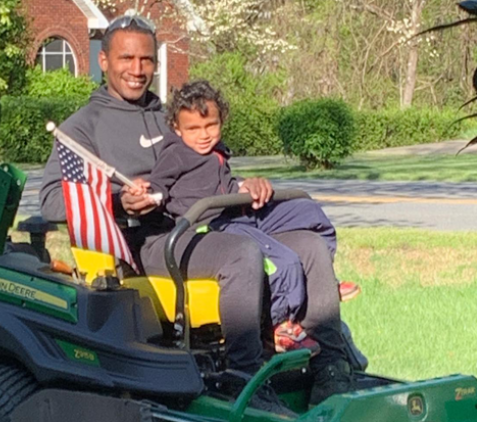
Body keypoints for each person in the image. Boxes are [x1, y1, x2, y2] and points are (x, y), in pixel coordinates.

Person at [39, 14, 354, 406]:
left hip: (214, 221)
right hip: (155, 239)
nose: (137, 70)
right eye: (126, 59)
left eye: (146, 60)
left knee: (309, 246)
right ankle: (245, 380)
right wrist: (119, 200)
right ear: (103, 61)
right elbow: (54, 198)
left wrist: (244, 185)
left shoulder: (172, 113)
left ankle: (332, 366)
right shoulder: (83, 127)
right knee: (242, 255)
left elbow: (209, 171)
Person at [138, 80, 352, 356]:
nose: (203, 135)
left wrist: (243, 188)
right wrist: (149, 195)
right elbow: (159, 186)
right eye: (193, 129)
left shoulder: (217, 151)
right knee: (281, 261)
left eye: (211, 126)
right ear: (177, 129)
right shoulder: (177, 154)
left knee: (307, 210)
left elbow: (223, 184)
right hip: (209, 225)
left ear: (222, 120)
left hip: (236, 211)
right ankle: (276, 325)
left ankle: (323, 284)